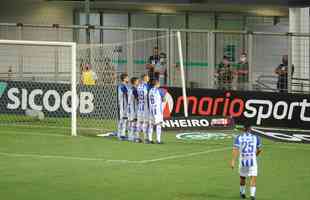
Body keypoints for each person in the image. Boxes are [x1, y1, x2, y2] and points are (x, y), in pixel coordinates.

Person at [231, 123, 262, 200]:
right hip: (252, 161)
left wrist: (233, 161)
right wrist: (255, 155)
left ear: (243, 129)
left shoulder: (239, 137)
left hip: (243, 161)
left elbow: (235, 150)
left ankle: (242, 193)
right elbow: (259, 149)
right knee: (253, 178)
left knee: (242, 177)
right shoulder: (256, 137)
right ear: (250, 129)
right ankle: (252, 195)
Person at [148, 79, 166, 144]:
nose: (159, 84)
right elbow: (164, 99)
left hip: (151, 110)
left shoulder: (150, 90)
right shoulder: (159, 91)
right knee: (159, 124)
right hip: (157, 110)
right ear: (156, 84)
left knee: (151, 125)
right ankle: (158, 140)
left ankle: (150, 139)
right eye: (158, 83)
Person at [137, 74, 151, 143]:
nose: (148, 78)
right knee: (145, 123)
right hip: (145, 107)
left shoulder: (139, 86)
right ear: (145, 78)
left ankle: (138, 137)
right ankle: (145, 138)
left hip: (139, 106)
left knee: (139, 122)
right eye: (147, 77)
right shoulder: (147, 86)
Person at [127, 77, 140, 142]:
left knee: (131, 122)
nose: (138, 82)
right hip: (133, 108)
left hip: (129, 107)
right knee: (134, 122)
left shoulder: (130, 89)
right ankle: (134, 137)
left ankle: (131, 136)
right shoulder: (134, 89)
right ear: (135, 82)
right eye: (137, 81)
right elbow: (138, 99)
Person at [117, 73, 129, 140]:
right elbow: (127, 93)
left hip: (125, 106)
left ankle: (123, 134)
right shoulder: (122, 86)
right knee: (121, 120)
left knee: (124, 120)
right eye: (127, 78)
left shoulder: (125, 85)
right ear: (124, 79)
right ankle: (119, 135)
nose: (128, 79)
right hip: (122, 106)